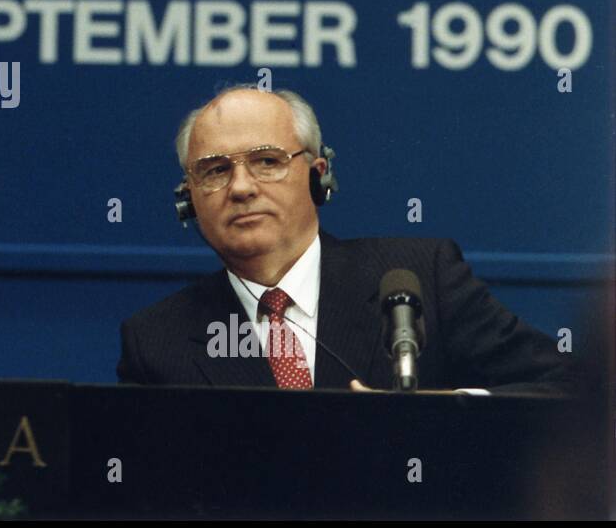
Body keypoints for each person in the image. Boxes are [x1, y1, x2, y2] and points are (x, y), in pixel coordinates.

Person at [117, 85, 574, 395]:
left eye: (267, 161)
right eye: (215, 171)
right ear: (188, 200)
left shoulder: (419, 277)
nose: (241, 187)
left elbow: (566, 388)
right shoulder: (156, 341)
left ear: (318, 178)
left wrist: (446, 410)